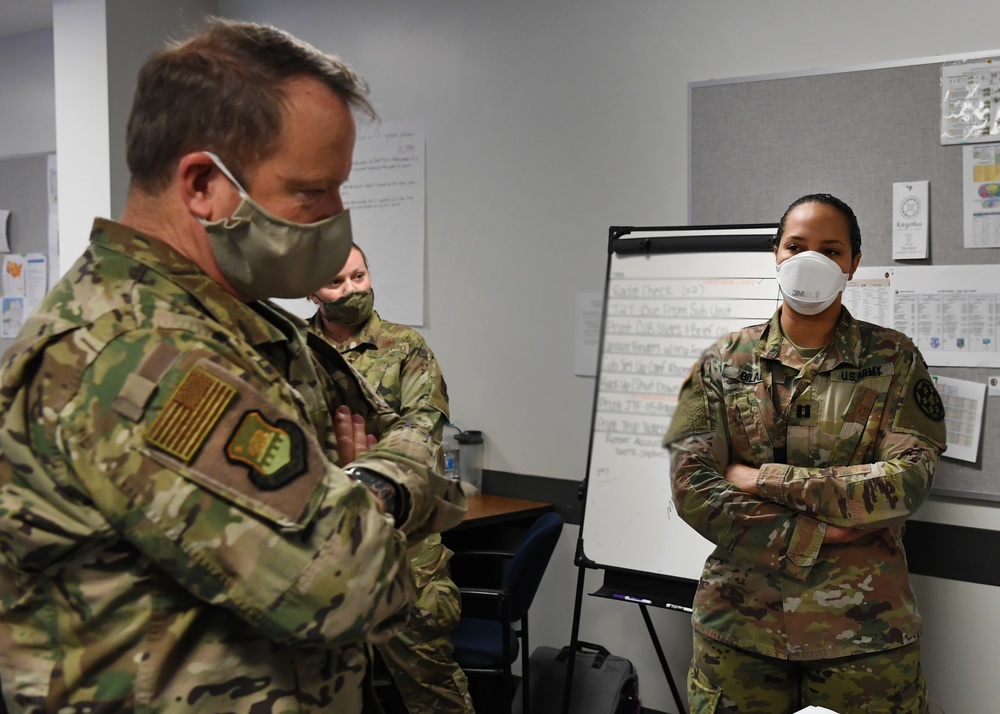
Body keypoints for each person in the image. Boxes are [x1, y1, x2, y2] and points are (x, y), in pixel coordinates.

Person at [0, 17, 465, 713]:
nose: (337, 218)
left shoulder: (236, 324)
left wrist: (348, 498)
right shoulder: (137, 356)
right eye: (313, 192)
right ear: (202, 187)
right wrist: (393, 475)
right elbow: (347, 581)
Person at [664, 193, 947, 714]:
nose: (811, 261)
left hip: (863, 634)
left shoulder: (896, 359)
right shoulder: (723, 362)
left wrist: (760, 478)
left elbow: (907, 483)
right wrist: (818, 533)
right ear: (776, 253)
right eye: (796, 246)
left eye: (831, 249)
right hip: (738, 628)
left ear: (854, 263)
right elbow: (692, 486)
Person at [308, 244, 475, 713]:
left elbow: (422, 427)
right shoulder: (297, 353)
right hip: (327, 544)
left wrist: (367, 471)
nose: (352, 289)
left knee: (431, 684)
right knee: (326, 687)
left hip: (404, 544)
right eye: (336, 282)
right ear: (310, 291)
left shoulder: (404, 346)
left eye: (358, 276)